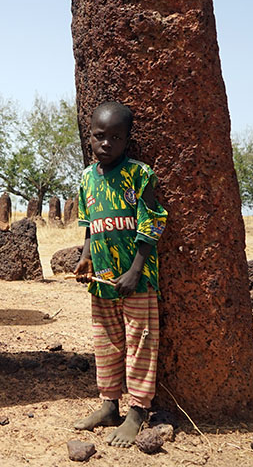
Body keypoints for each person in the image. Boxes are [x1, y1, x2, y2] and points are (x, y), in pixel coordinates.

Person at [73, 101, 167, 448]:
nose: (107, 144)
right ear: (90, 138)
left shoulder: (139, 174)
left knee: (141, 343)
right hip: (102, 280)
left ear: (127, 139)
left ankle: (138, 412)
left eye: (116, 137)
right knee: (107, 343)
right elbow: (89, 226)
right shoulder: (85, 178)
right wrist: (85, 258)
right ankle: (109, 405)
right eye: (100, 136)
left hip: (136, 279)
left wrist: (136, 269)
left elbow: (153, 221)